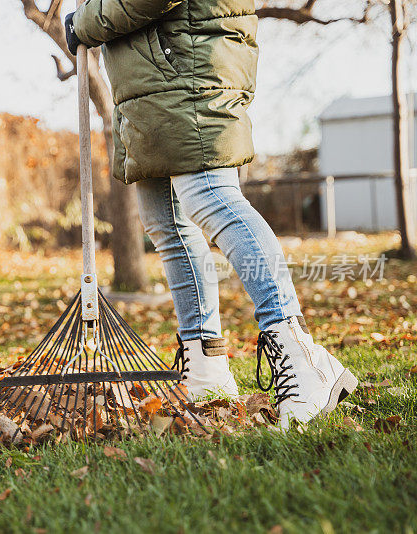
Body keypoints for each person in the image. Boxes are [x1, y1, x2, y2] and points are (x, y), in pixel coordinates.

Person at [64, 0, 357, 429]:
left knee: (211, 198)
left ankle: (299, 351)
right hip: (150, 85)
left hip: (188, 66)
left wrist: (86, 21)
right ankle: (207, 366)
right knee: (166, 224)